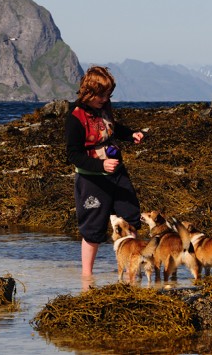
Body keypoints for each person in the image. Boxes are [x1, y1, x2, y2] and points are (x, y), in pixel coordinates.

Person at [65, 65, 145, 280]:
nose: (105, 99)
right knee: (92, 228)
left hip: (117, 172)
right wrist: (100, 166)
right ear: (88, 92)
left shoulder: (104, 106)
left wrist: (131, 134)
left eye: (108, 94)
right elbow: (73, 154)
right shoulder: (75, 117)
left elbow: (112, 127)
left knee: (131, 217)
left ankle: (132, 271)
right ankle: (87, 276)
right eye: (102, 95)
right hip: (91, 179)